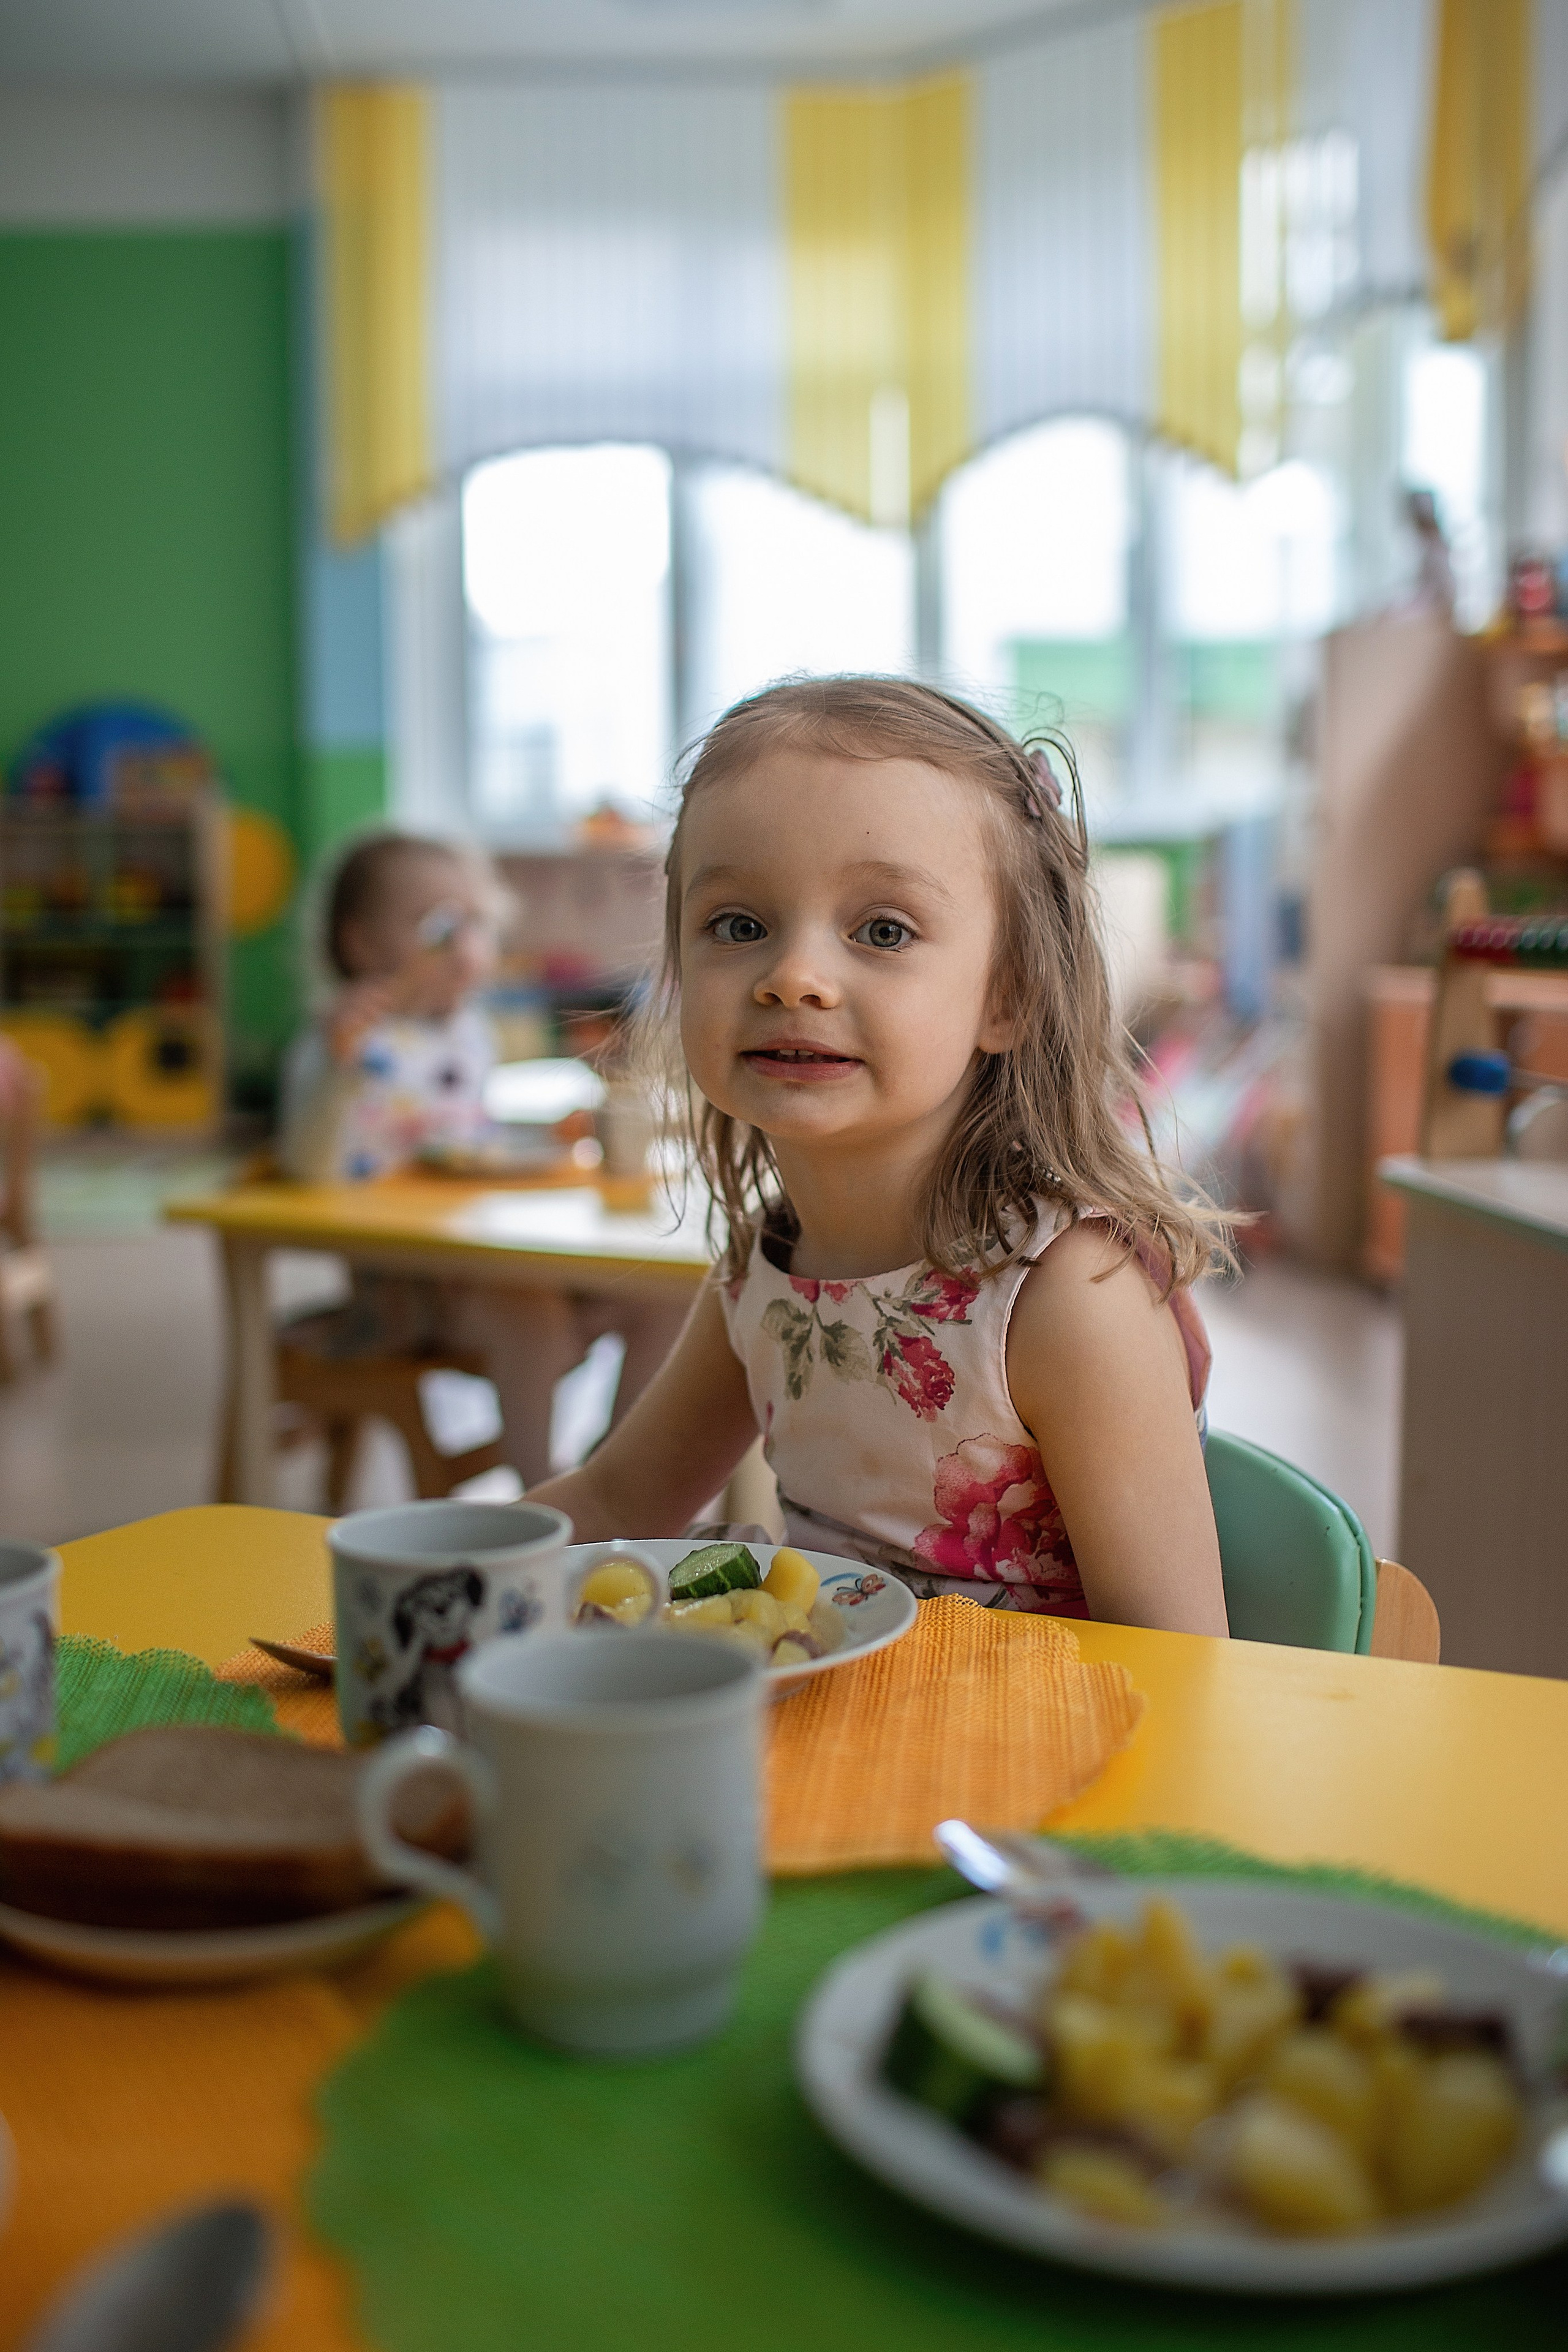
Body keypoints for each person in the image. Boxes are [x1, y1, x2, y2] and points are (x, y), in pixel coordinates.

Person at [530, 679, 1231, 1635]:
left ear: (1008, 996)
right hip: (837, 1754)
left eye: (883, 931)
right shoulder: (760, 1271)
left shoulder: (1070, 1297)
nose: (794, 978)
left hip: (1032, 1763)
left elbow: (1180, 1664)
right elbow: (616, 1505)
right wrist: (422, 1567)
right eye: (739, 926)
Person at [280, 830, 687, 1488]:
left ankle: (616, 1474)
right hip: (402, 1287)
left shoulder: (467, 1030)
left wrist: (545, 1141)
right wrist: (336, 1069)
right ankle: (545, 1502)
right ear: (361, 944)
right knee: (529, 1315)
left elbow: (467, 1141)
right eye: (438, 925)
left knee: (666, 1293)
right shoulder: (344, 1041)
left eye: (476, 922)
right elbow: (309, 1166)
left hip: (490, 1259)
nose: (464, 944)